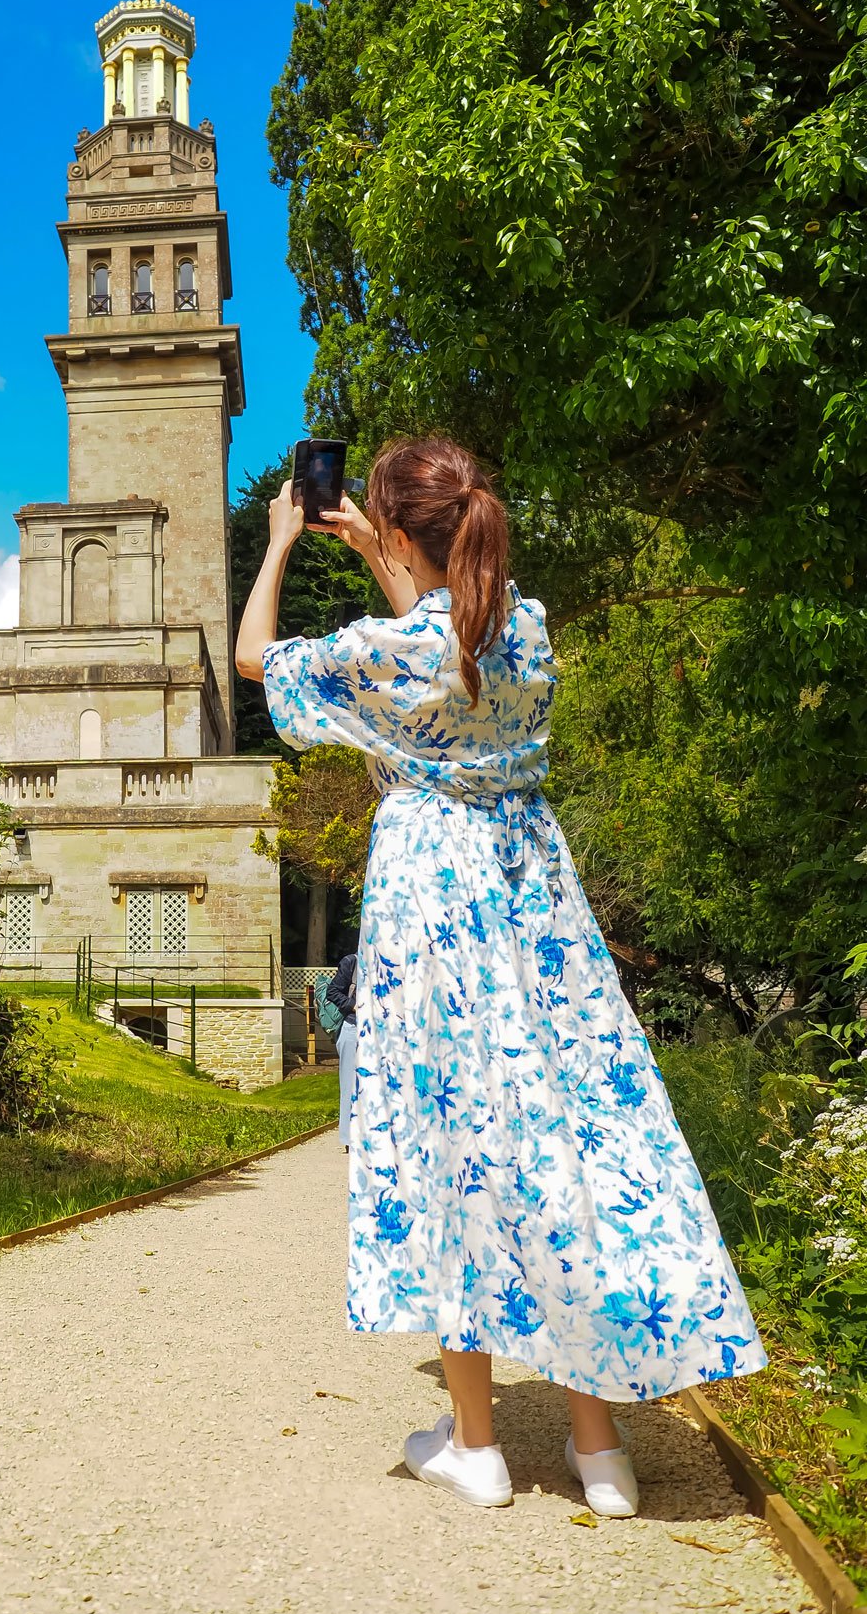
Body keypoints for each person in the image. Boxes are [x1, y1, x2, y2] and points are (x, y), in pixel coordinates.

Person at [235, 436, 764, 1516]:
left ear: (394, 526)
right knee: (559, 1128)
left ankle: (476, 1446)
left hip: (436, 894)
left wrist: (288, 539)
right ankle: (599, 1445)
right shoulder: (520, 626)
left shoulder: (396, 650)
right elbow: (451, 620)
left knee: (456, 1139)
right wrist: (385, 549)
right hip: (535, 893)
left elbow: (256, 658)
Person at [318, 952, 358, 1147]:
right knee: (349, 1084)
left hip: (378, 1032)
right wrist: (355, 1006)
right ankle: (349, 1139)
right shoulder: (352, 962)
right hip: (352, 1028)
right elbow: (332, 992)